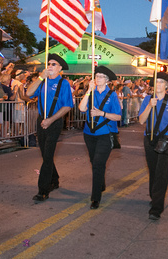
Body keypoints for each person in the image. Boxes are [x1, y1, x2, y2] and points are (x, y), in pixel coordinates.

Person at [25, 54, 74, 202]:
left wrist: (51, 120)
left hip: (54, 121)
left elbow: (67, 106)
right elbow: (28, 93)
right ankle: (55, 179)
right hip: (41, 121)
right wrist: (40, 77)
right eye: (49, 63)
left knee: (47, 156)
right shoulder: (43, 81)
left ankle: (43, 190)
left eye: (54, 64)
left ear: (60, 68)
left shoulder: (63, 84)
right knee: (45, 154)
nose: (50, 66)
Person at [139, 72, 168, 220]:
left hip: (165, 140)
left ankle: (156, 209)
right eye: (155, 82)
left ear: (166, 86)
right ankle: (154, 197)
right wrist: (149, 107)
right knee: (153, 170)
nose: (157, 84)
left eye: (160, 82)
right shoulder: (147, 99)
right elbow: (141, 120)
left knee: (161, 173)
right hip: (149, 139)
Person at [78, 66, 122, 209]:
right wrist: (89, 90)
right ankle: (100, 183)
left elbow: (118, 116)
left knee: (97, 163)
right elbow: (81, 108)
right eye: (97, 76)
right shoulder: (91, 92)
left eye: (102, 76)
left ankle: (95, 198)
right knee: (94, 162)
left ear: (107, 80)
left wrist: (102, 113)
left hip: (105, 134)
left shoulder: (112, 95)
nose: (98, 78)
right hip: (89, 134)